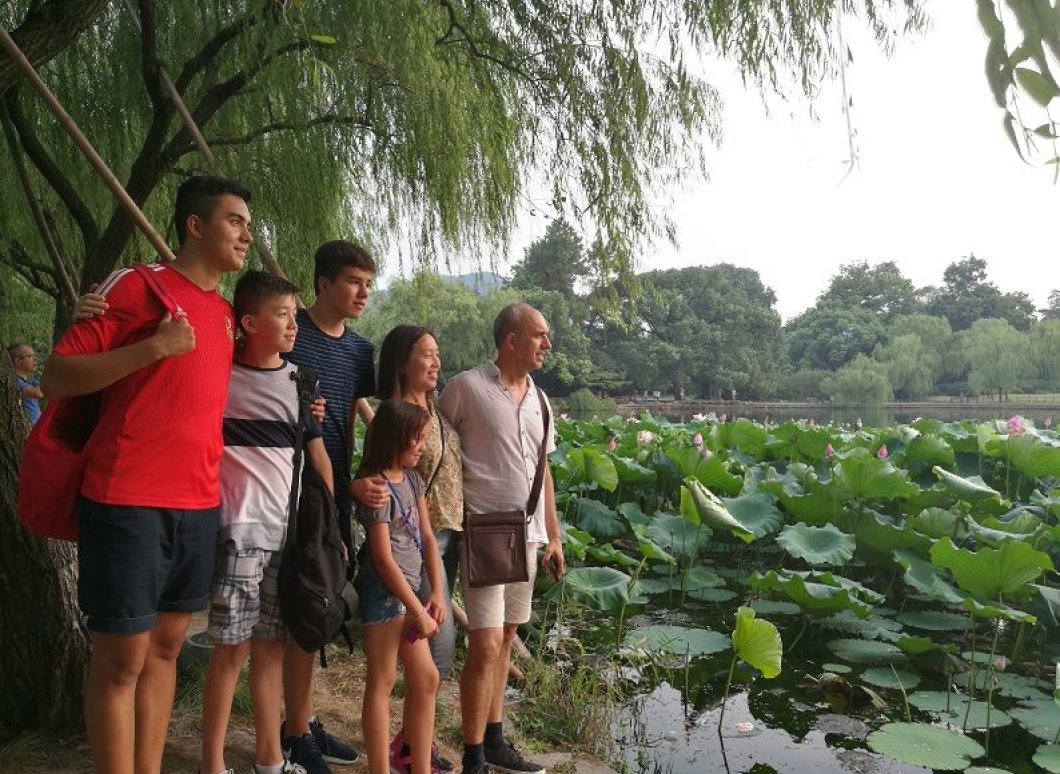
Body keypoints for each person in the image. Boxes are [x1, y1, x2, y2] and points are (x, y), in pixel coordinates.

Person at [41, 175, 252, 774]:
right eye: (234, 221)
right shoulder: (136, 286)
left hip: (198, 503)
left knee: (165, 651)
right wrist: (151, 349)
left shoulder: (225, 314)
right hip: (127, 497)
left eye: (247, 224)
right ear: (195, 225)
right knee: (122, 661)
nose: (246, 235)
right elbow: (55, 377)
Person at [198, 271, 333, 774]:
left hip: (286, 536)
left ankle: (269, 761)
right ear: (250, 323)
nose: (294, 324)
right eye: (283, 315)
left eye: (295, 314)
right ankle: (212, 764)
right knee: (230, 652)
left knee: (271, 650)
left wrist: (328, 527)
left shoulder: (301, 383)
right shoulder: (219, 376)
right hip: (237, 532)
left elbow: (317, 455)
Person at [437, 303, 566, 774]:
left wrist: (554, 537)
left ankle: (494, 739)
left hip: (528, 535)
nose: (547, 343)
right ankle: (472, 755)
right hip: (485, 534)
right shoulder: (465, 388)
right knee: (486, 644)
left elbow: (543, 470)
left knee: (508, 635)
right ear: (511, 339)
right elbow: (434, 448)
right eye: (539, 334)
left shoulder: (541, 400)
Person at [280, 239, 378, 774]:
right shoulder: (290, 330)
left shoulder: (360, 351)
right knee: (304, 603)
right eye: (353, 282)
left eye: (368, 284)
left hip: (337, 487)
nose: (363, 293)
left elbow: (353, 406)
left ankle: (302, 719)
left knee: (320, 602)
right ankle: (295, 733)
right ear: (323, 284)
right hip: (292, 487)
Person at [369, 325, 463, 773]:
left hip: (439, 543)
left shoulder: (435, 411)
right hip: (404, 563)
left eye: (437, 353)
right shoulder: (395, 416)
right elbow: (370, 476)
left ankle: (414, 745)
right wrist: (355, 488)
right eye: (426, 354)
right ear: (402, 362)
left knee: (433, 662)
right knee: (429, 654)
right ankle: (406, 748)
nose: (436, 362)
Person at [354, 399, 445, 774]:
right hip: (384, 595)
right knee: (383, 681)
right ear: (396, 438)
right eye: (417, 438)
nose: (422, 446)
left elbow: (427, 537)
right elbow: (382, 557)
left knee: (426, 678)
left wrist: (436, 591)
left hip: (411, 594)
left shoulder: (412, 480)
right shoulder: (375, 487)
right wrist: (418, 610)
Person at [8, 343, 42, 425]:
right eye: (30, 356)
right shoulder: (15, 380)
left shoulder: (30, 380)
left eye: (35, 356)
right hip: (28, 428)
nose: (35, 359)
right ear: (17, 361)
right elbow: (38, 393)